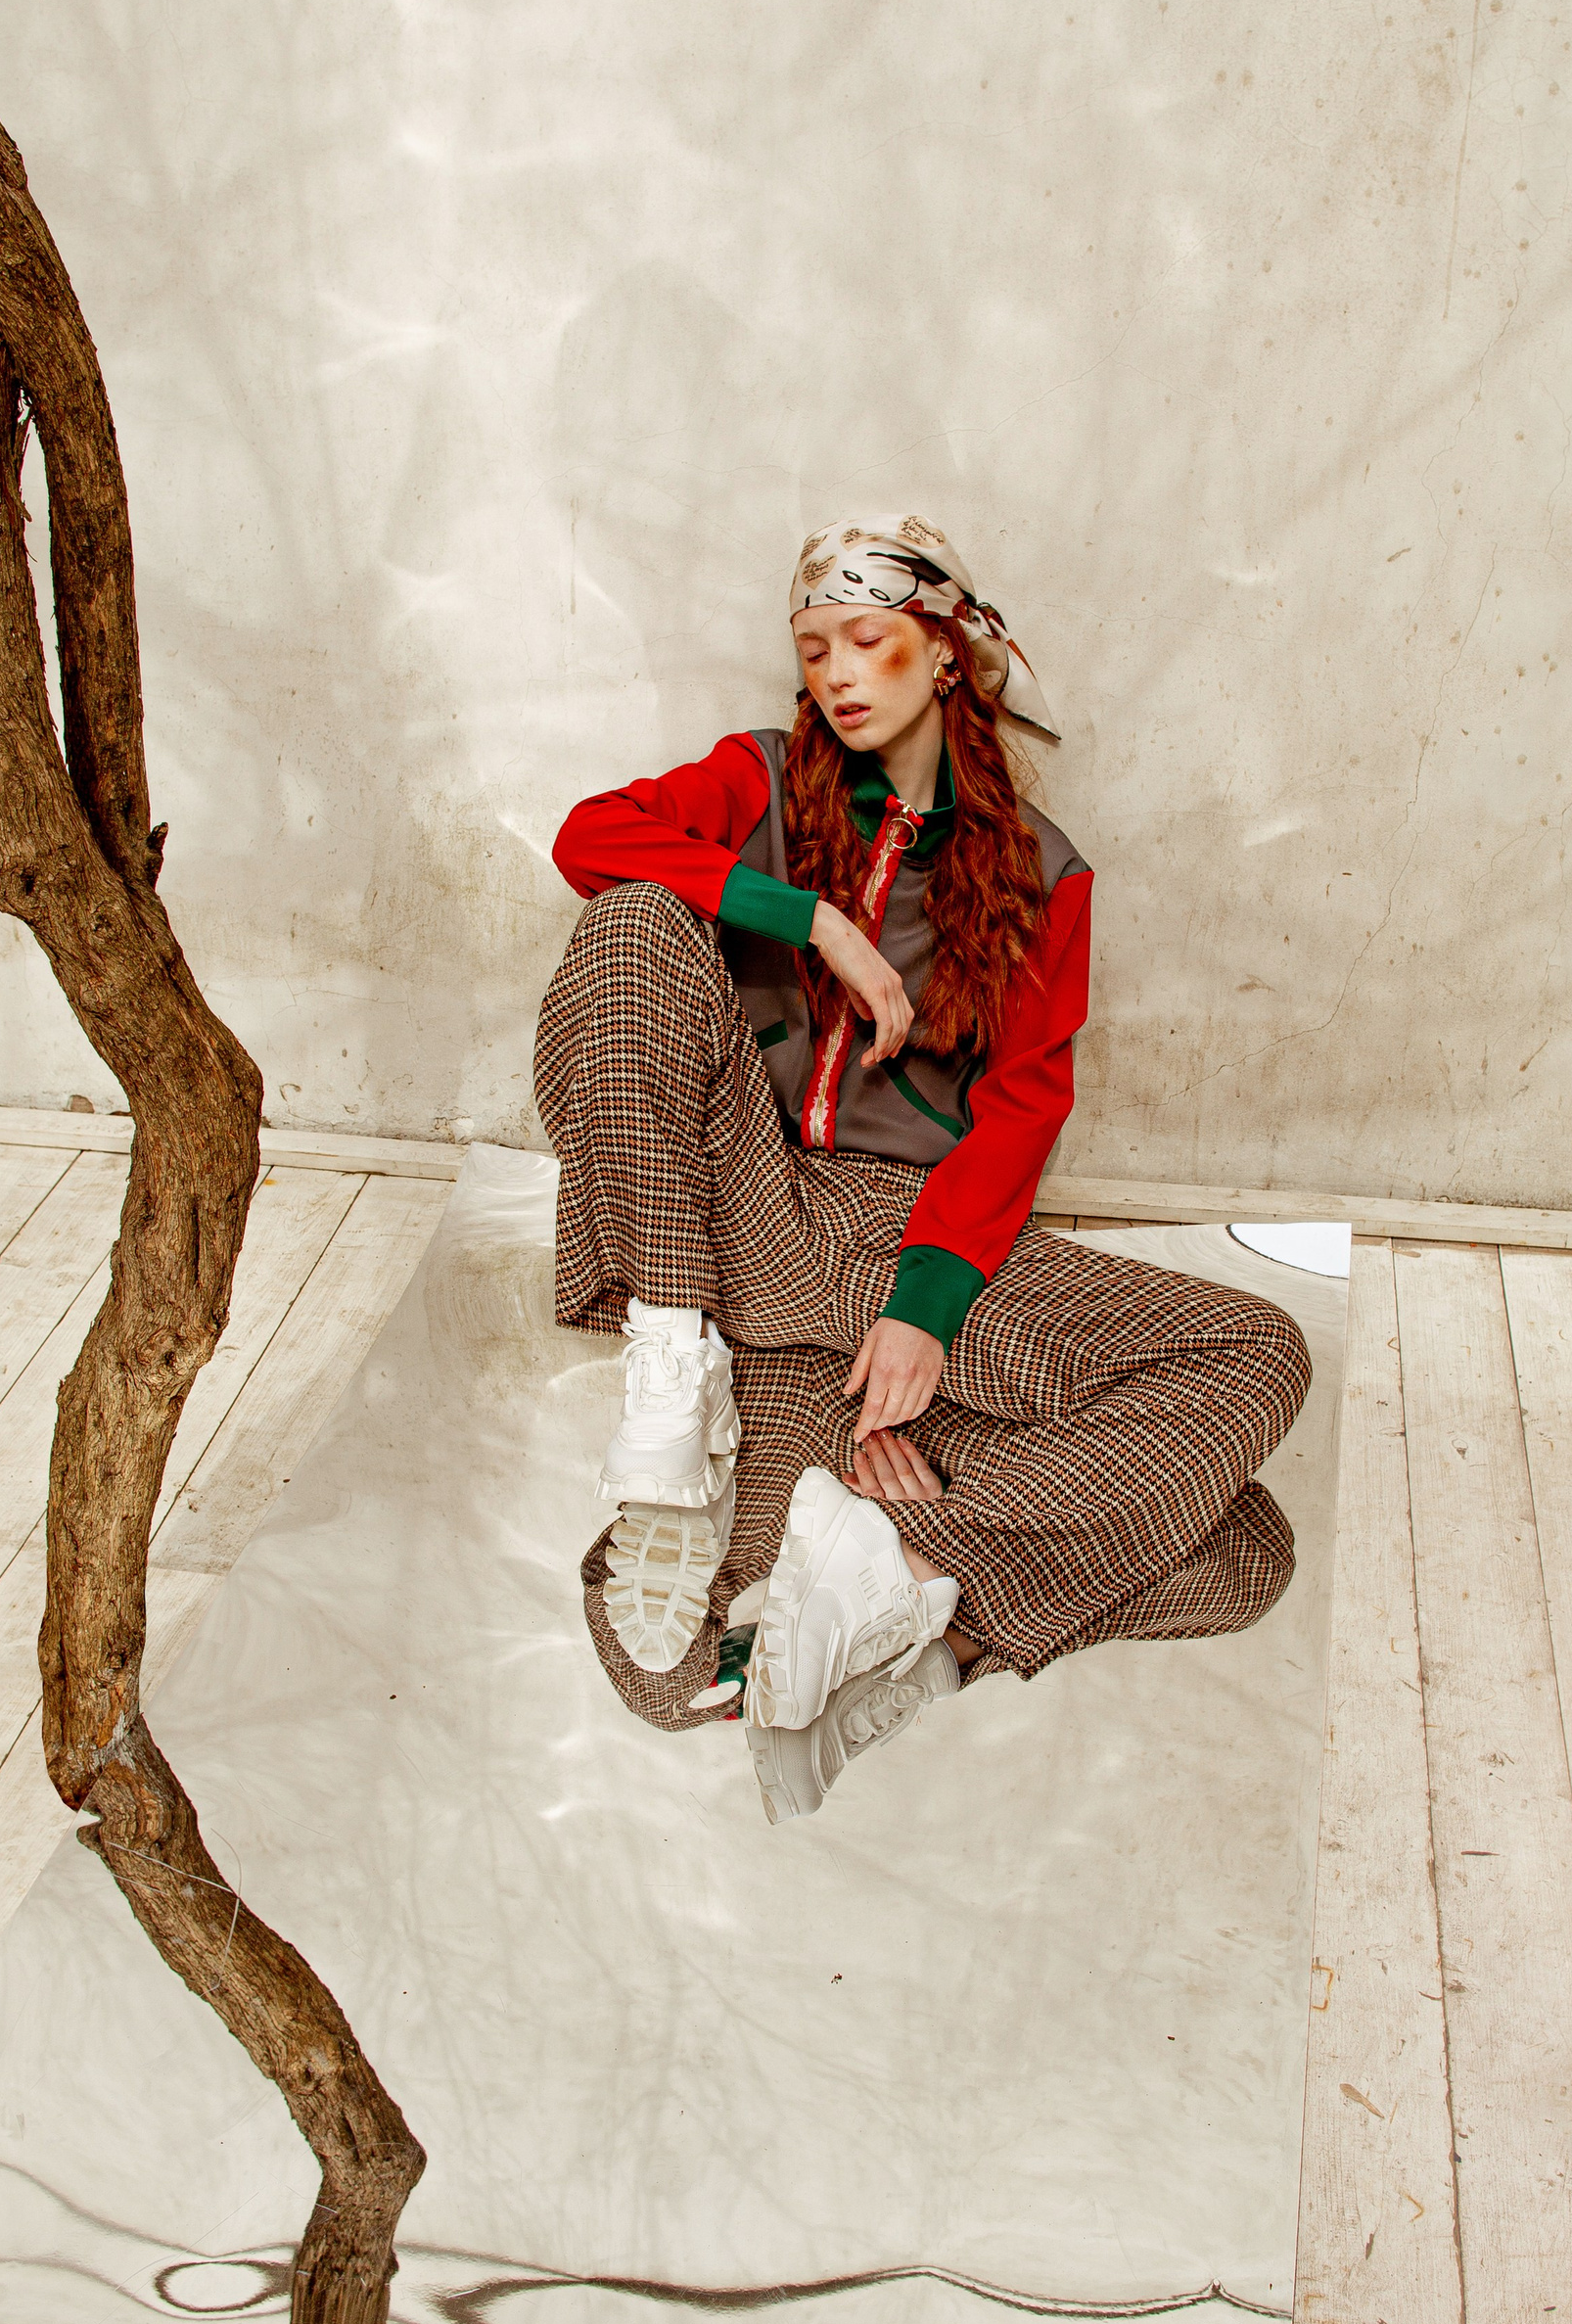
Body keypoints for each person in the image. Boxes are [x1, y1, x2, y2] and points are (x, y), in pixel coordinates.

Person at [536, 516, 1310, 1825]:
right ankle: (679, 1396)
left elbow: (1021, 1107)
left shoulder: (1044, 873)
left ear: (947, 651)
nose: (838, 673)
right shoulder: (756, 780)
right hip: (734, 1218)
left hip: (899, 1243)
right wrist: (810, 919)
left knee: (1248, 1525)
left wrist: (928, 1307)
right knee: (629, 926)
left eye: (868, 639)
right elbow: (587, 837)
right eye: (814, 649)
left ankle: (911, 1594)